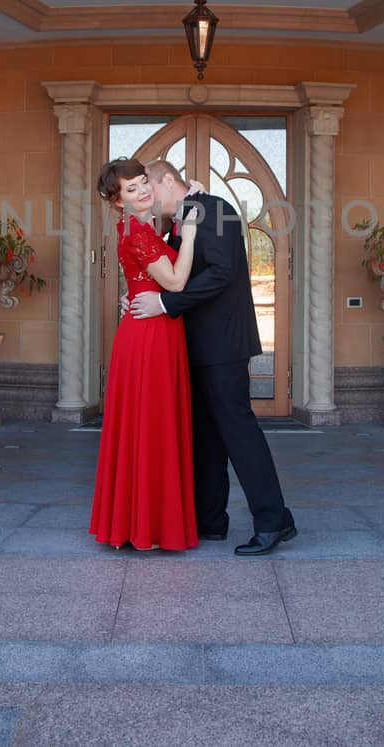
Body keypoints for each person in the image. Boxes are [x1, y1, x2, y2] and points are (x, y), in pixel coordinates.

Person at [129, 159, 297, 556]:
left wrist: (166, 303)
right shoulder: (183, 219)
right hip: (194, 346)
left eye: (151, 191)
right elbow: (170, 272)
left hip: (223, 345)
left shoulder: (214, 209)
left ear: (168, 180)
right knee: (204, 435)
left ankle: (275, 520)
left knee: (239, 433)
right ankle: (211, 521)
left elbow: (222, 272)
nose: (150, 203)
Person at [88, 158, 200, 552]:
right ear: (118, 201)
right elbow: (175, 280)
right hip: (150, 334)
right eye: (131, 189)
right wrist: (188, 233)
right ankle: (147, 527)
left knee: (147, 423)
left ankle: (140, 523)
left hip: (148, 327)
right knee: (152, 423)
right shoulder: (136, 231)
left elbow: (146, 275)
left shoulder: (138, 227)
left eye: (142, 183)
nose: (142, 191)